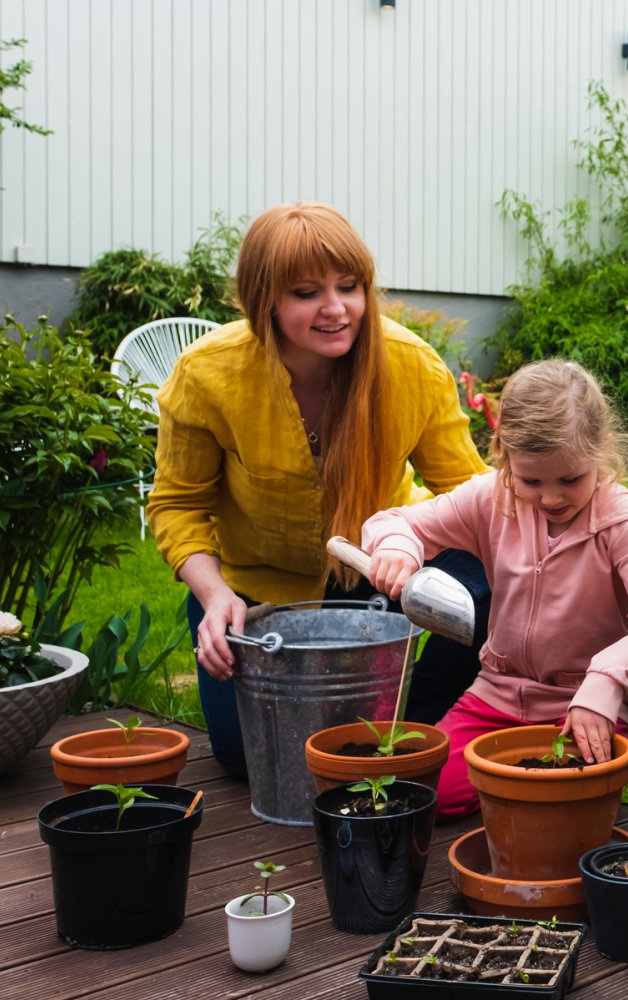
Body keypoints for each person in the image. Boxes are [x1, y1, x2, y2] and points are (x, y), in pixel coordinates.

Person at [149, 202, 491, 779]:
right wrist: (212, 596)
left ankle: (419, 723)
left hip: (382, 570)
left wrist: (407, 549)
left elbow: (473, 495)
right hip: (254, 593)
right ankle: (380, 723)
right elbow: (178, 504)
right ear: (266, 300)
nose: (336, 310)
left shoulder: (411, 367)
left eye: (350, 287)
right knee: (250, 760)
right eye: (307, 292)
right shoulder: (207, 374)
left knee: (489, 578)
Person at [362, 358, 628, 821]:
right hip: (495, 695)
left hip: (583, 703)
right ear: (503, 452)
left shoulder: (621, 522)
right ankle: (505, 777)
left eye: (570, 480)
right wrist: (398, 547)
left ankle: (525, 783)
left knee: (565, 801)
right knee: (425, 792)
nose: (551, 498)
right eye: (532, 480)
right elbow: (398, 521)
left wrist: (607, 682)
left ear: (601, 451)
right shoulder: (492, 497)